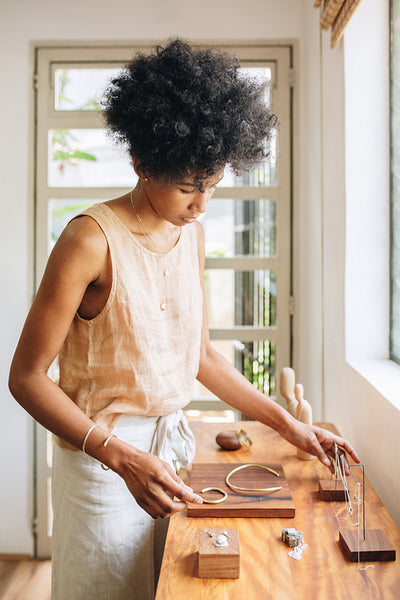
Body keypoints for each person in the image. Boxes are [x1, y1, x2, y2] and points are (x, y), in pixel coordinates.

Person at [9, 39, 359, 600]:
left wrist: (286, 424)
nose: (202, 206)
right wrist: (119, 456)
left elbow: (201, 358)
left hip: (171, 452)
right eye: (189, 187)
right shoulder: (89, 239)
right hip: (102, 463)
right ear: (142, 163)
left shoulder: (189, 235)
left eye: (213, 185)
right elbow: (24, 378)